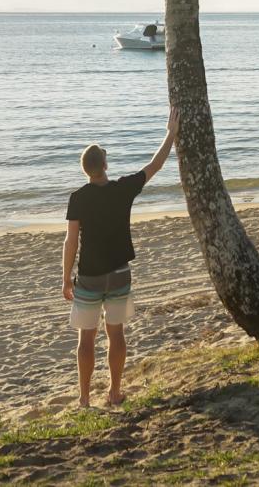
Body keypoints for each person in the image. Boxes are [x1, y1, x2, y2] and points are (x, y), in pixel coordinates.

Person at [62, 107, 180, 407]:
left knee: (85, 340)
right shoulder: (122, 190)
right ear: (104, 164)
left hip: (88, 276)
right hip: (118, 273)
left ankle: (85, 399)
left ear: (86, 169)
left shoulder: (78, 198)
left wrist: (65, 278)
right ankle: (114, 392)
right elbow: (154, 166)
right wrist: (171, 133)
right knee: (116, 334)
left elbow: (71, 241)